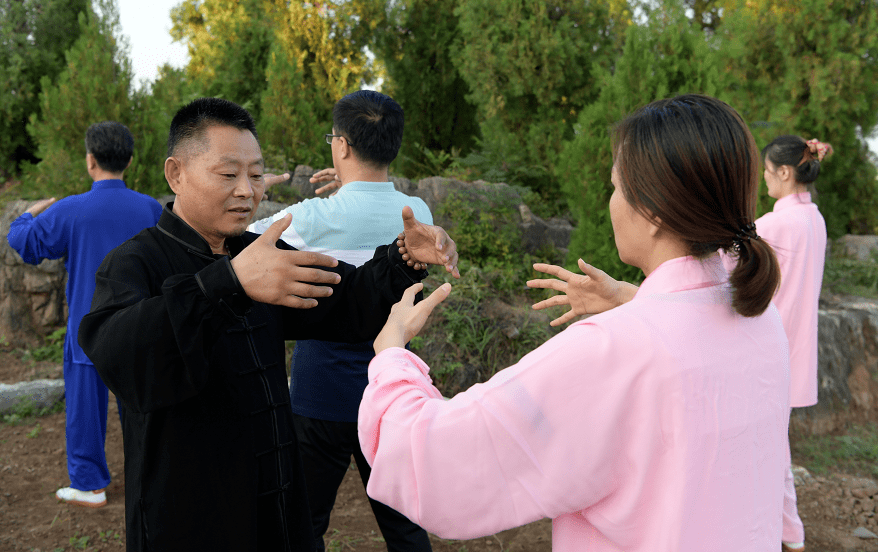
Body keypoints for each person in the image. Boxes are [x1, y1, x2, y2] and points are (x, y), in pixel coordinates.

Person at [357, 94, 791, 551]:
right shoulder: (761, 319)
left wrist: (392, 356)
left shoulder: (612, 351)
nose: (612, 202)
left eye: (617, 186)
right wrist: (635, 299)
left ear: (655, 212)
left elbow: (438, 463)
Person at [77, 97, 458, 552]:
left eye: (256, 175)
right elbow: (122, 357)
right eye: (228, 174)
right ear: (176, 173)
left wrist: (402, 258)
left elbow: (346, 299)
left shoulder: (258, 253)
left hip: (276, 507)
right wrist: (226, 283)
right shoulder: (135, 263)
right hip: (189, 519)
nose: (247, 190)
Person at [250, 90, 434, 552]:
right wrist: (355, 184)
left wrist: (258, 187)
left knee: (304, 524)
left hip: (319, 392)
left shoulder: (311, 216)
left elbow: (242, 242)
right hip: (391, 392)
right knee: (406, 528)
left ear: (342, 146)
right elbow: (381, 204)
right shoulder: (419, 216)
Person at [7, 121, 162, 509]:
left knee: (84, 410)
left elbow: (22, 242)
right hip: (139, 328)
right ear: (129, 160)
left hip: (87, 329)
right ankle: (150, 481)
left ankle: (90, 485)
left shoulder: (71, 209)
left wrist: (28, 213)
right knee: (142, 409)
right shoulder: (150, 209)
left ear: (90, 160)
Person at [757, 135, 830, 552]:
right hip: (794, 350)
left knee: (771, 452)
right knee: (773, 446)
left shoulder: (773, 225)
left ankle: (789, 535)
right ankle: (789, 534)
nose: (764, 180)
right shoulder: (814, 219)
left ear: (785, 172)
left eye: (767, 172)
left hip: (764, 350)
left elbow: (724, 269)